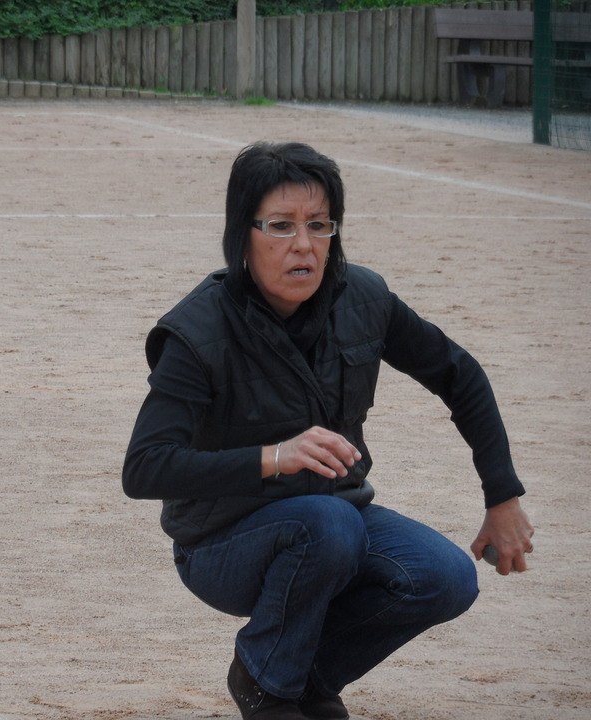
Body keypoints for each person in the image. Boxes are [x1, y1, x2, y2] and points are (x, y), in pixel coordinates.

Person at [121, 142, 534, 720]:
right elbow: (144, 468)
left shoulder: (363, 297)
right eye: (281, 226)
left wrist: (503, 494)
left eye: (319, 225)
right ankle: (267, 680)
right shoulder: (199, 331)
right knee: (330, 522)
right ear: (243, 234)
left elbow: (458, 374)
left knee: (445, 577)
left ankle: (305, 678)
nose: (304, 245)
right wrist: (273, 456)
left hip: (334, 522)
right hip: (219, 544)